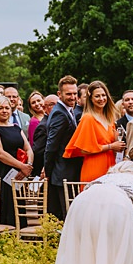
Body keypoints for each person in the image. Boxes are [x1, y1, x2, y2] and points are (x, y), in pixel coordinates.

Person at [0, 96, 33, 226]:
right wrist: (22, 166)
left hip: (17, 174)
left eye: (7, 108)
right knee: (0, 209)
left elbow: (28, 148)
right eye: (1, 108)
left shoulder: (16, 127)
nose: (4, 111)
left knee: (16, 207)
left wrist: (28, 166)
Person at [63, 80, 125, 182]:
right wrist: (110, 146)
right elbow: (84, 149)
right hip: (94, 167)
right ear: (91, 98)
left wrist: (117, 143)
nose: (101, 99)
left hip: (110, 167)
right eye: (97, 96)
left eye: (103, 95)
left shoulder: (109, 118)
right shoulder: (88, 118)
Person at [43, 76, 83, 219]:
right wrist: (48, 171)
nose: (73, 97)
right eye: (69, 94)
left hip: (65, 171)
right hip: (63, 171)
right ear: (59, 94)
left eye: (74, 93)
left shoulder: (67, 110)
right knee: (67, 215)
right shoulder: (60, 113)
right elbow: (51, 146)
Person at [30, 94, 57, 178]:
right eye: (52, 104)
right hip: (43, 172)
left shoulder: (54, 121)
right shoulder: (43, 126)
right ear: (45, 107)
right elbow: (38, 151)